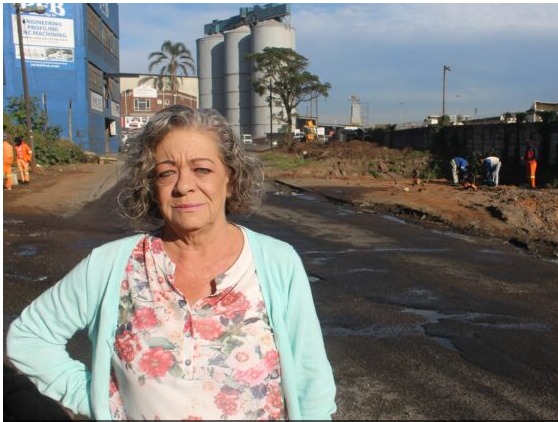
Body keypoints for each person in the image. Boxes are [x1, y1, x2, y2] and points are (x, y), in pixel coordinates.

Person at [6, 105, 337, 420]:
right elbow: (29, 338)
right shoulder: (110, 265)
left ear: (231, 178)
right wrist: (100, 400)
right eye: (166, 173)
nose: (183, 186)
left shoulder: (278, 262)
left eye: (202, 169)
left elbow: (311, 379)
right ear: (152, 186)